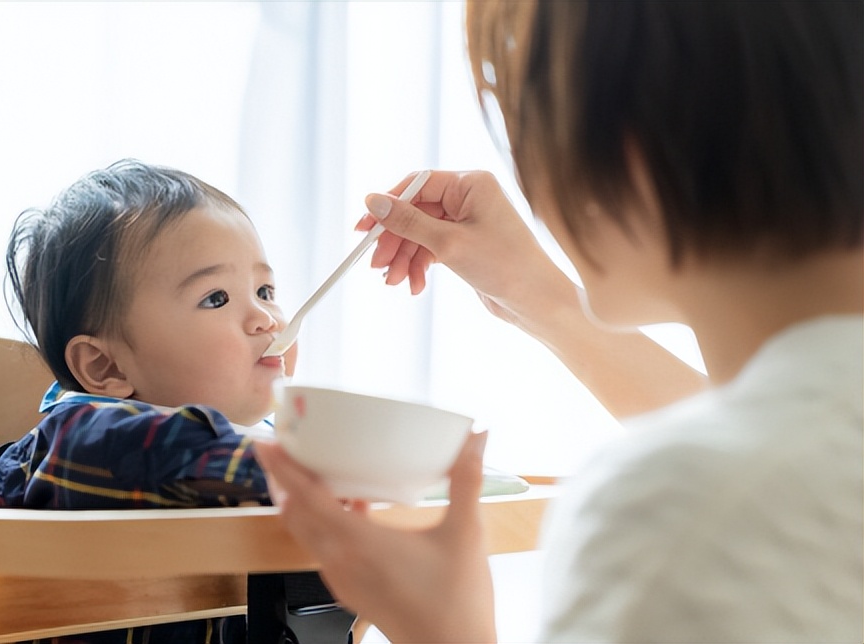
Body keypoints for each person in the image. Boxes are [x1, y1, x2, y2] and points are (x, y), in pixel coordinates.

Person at [255, 1, 863, 642]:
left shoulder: (684, 511)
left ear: (625, 140)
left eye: (533, 127)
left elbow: (744, 474)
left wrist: (443, 630)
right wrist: (541, 297)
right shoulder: (785, 465)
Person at [0, 159, 298, 642]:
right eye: (216, 298)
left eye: (265, 290)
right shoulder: (81, 441)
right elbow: (161, 452)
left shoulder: (259, 446)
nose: (267, 318)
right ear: (106, 368)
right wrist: (311, 473)